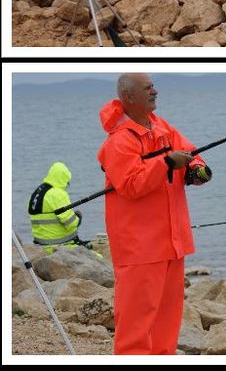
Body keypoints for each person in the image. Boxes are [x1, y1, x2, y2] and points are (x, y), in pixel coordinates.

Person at [98, 73, 211, 354]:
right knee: (135, 327)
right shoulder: (119, 142)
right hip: (140, 248)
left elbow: (190, 153)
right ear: (128, 97)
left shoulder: (162, 128)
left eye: (154, 86)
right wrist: (166, 164)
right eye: (148, 88)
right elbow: (131, 185)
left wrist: (196, 169)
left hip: (173, 244)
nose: (155, 91)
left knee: (166, 323)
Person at [28, 162, 92, 253]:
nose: (67, 185)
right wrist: (78, 217)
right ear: (63, 179)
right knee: (99, 258)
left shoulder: (37, 192)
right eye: (67, 181)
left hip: (40, 245)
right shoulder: (57, 194)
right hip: (59, 245)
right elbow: (71, 223)